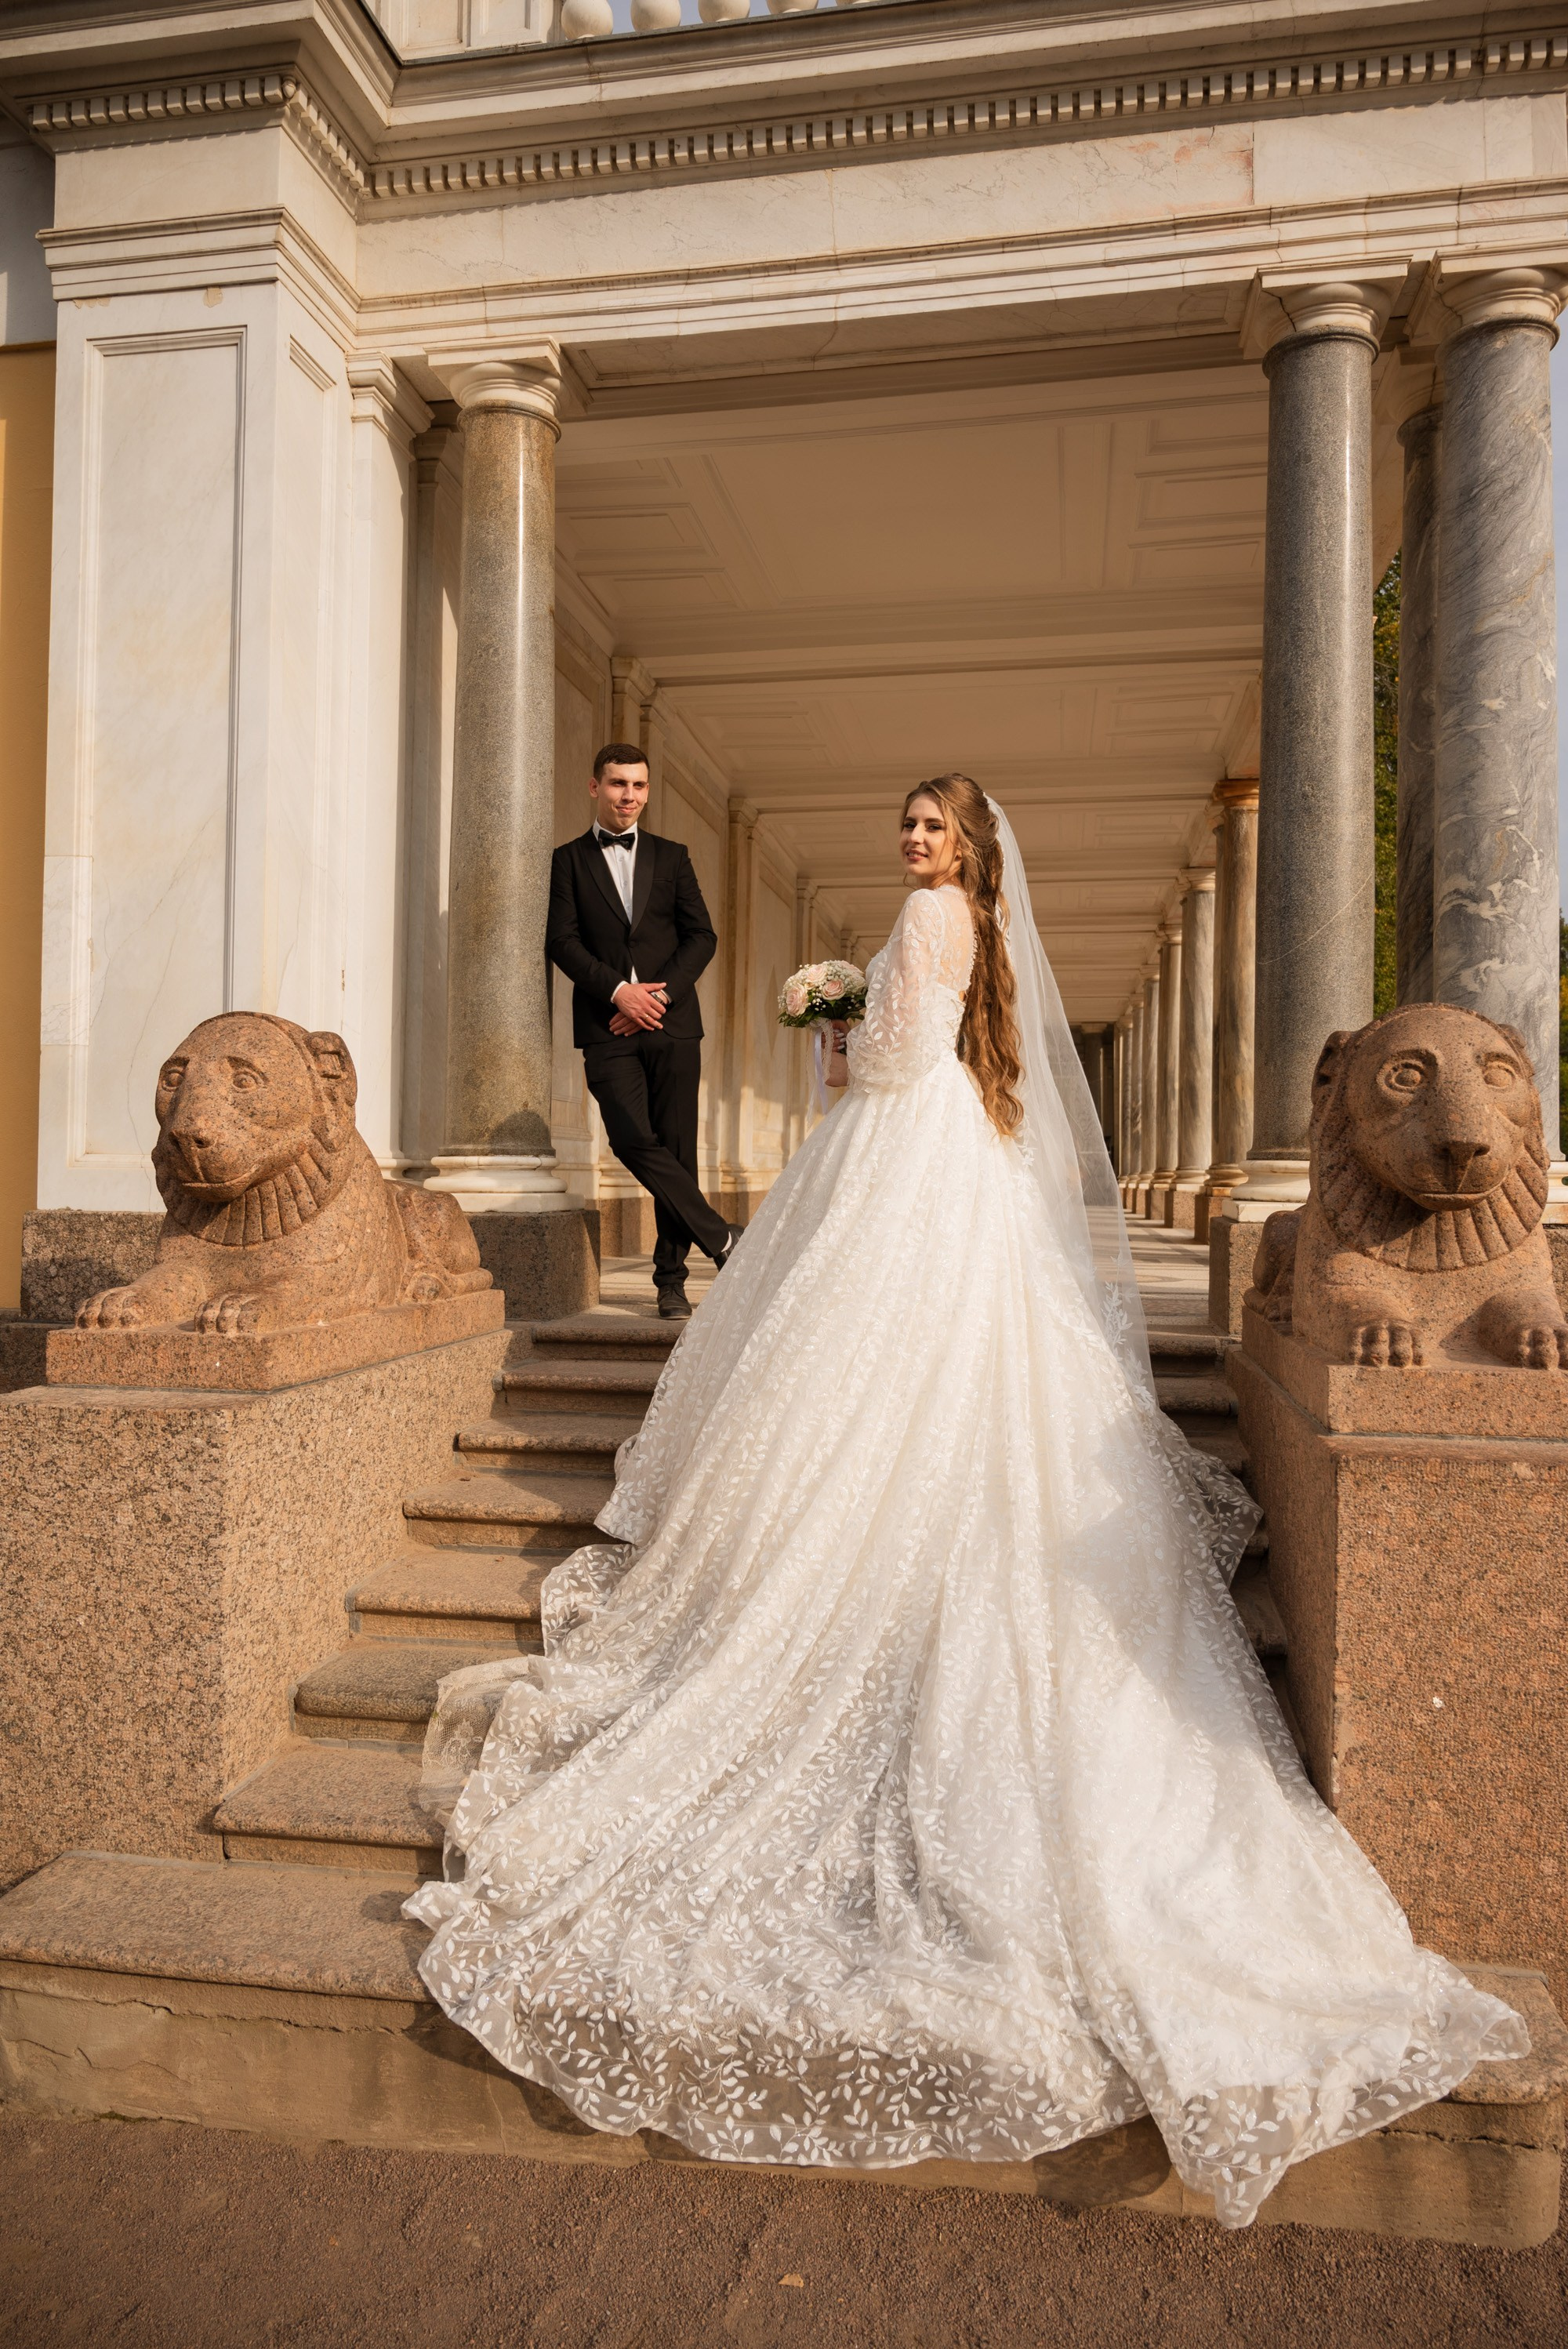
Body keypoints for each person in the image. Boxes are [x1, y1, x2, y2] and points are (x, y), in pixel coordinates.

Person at [409, 775, 1525, 2227]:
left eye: (930, 829)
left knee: (852, 1362)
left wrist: (832, 1035)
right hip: (955, 1154)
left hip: (901, 1149)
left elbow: (889, 1059)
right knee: (902, 1369)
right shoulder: (975, 921)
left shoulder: (935, 918)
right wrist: (853, 1023)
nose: (914, 847)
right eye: (908, 830)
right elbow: (933, 1040)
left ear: (966, 848)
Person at [545, 742, 742, 1318]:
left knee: (677, 1149)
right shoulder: (568, 861)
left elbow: (700, 936)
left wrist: (660, 993)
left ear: (647, 791)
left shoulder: (672, 856)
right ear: (594, 787)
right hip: (608, 1025)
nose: (628, 796)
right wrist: (619, 992)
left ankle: (671, 1282)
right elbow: (562, 941)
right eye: (617, 784)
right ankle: (722, 1236)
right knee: (631, 1139)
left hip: (673, 1023)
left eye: (638, 786)